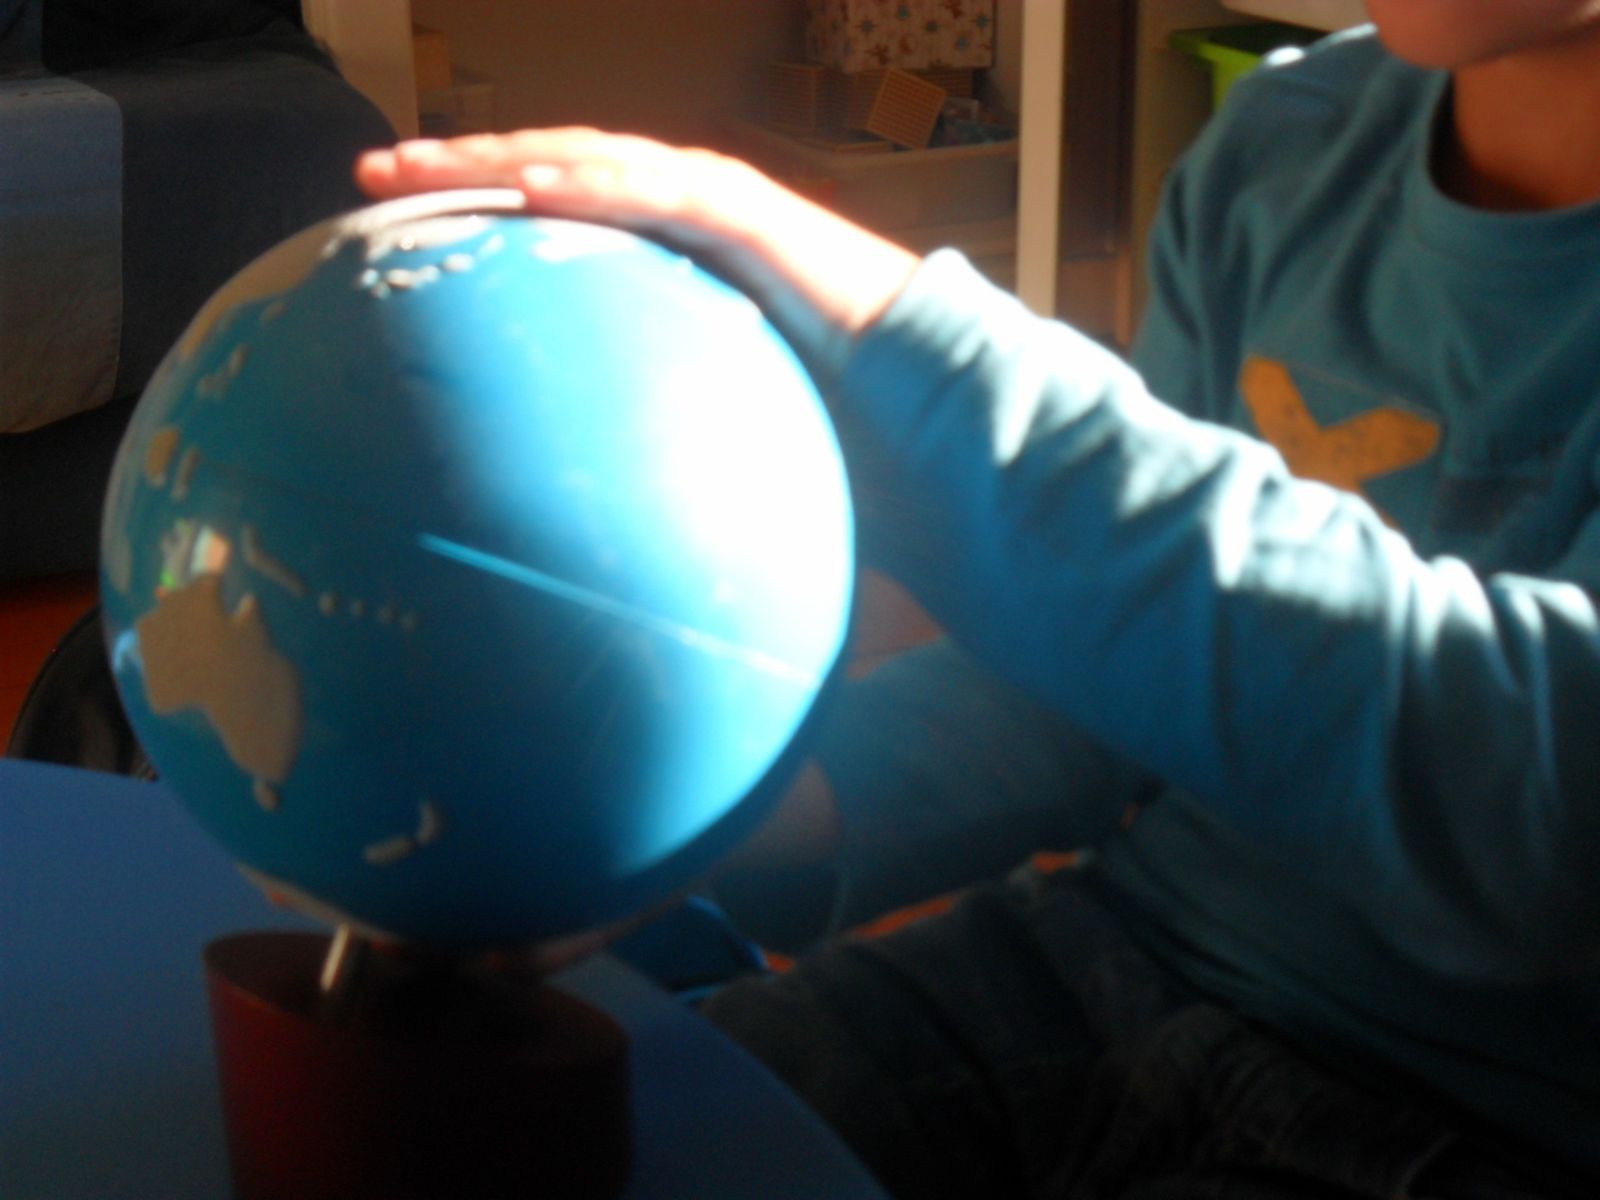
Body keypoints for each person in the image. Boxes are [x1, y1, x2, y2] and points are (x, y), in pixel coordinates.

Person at [355, 3, 1600, 1195]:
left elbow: (1537, 813)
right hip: (1107, 961)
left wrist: (912, 351)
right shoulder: (1288, 146)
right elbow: (1100, 694)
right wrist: (696, 819)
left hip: (1494, 1118)